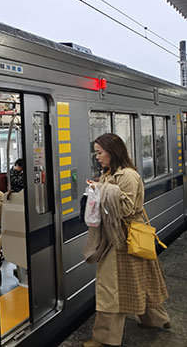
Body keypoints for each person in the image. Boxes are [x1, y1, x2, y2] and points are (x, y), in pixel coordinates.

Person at [83, 133, 169, 347]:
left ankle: (104, 338)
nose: (97, 157)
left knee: (110, 287)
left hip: (123, 237)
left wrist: (100, 189)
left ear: (113, 152)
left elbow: (126, 208)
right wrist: (100, 187)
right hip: (120, 236)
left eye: (100, 152)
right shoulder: (110, 173)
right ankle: (156, 319)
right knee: (139, 280)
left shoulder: (128, 175)